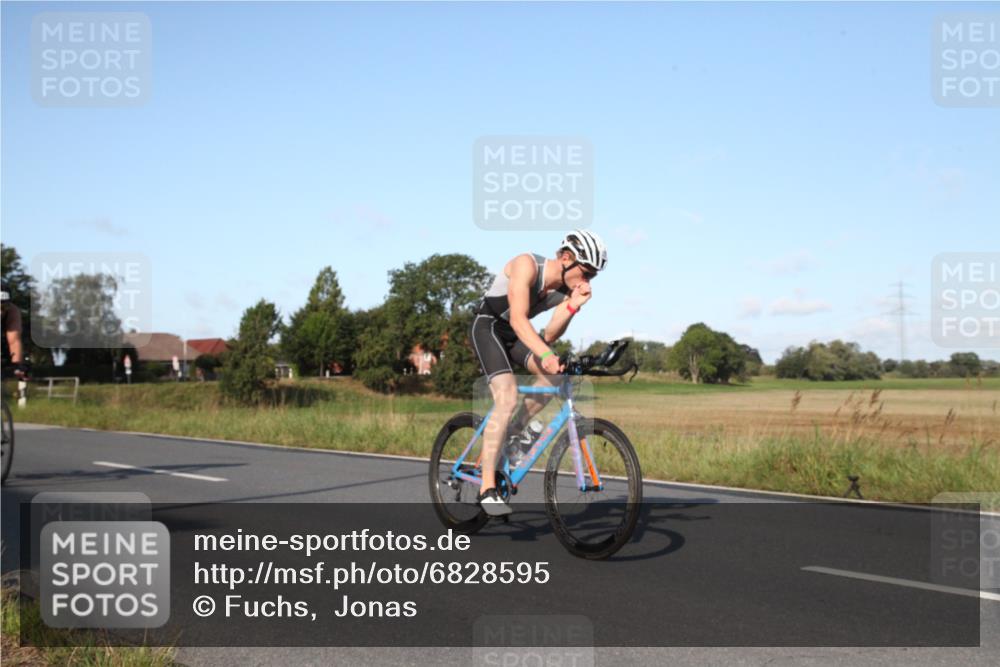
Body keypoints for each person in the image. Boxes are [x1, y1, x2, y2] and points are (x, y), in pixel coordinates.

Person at [470, 229, 607, 515]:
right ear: (567, 258)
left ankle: (514, 433)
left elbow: (551, 333)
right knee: (506, 396)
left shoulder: (565, 289)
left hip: (516, 337)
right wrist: (545, 354)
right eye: (586, 273)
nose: (587, 281)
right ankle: (486, 488)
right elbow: (519, 320)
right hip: (488, 328)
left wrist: (572, 305)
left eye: (593, 277)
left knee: (554, 376)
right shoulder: (527, 265)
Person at [1, 281, 29, 379]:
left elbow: (14, 341)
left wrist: (17, 366)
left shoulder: (13, 311)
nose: (0, 312)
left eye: (4, 307)